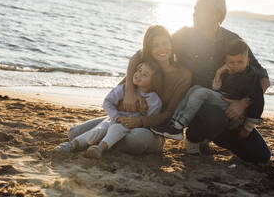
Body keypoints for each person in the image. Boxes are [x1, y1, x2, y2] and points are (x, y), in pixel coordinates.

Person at [166, 0, 271, 163]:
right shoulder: (184, 36)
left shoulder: (233, 41)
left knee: (261, 156)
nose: (194, 13)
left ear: (215, 14)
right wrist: (129, 88)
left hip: (230, 114)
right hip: (196, 109)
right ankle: (194, 138)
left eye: (199, 10)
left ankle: (209, 137)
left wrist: (243, 103)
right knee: (214, 116)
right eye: (194, 9)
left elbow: (262, 79)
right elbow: (150, 52)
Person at [64, 25, 192, 155]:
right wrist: (130, 94)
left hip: (150, 130)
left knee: (136, 140)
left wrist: (140, 121)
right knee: (74, 133)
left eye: (165, 43)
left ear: (171, 43)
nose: (162, 49)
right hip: (122, 121)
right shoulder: (144, 66)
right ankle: (105, 140)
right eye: (155, 45)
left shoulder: (183, 75)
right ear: (149, 49)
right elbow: (117, 94)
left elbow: (169, 113)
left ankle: (102, 142)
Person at [151, 39, 264, 155]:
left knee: (201, 93)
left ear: (248, 61)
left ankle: (178, 127)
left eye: (240, 62)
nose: (235, 66)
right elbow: (216, 90)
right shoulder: (226, 71)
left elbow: (259, 101)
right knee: (195, 89)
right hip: (223, 101)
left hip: (235, 114)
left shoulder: (252, 76)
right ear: (226, 61)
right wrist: (218, 74)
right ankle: (173, 124)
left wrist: (248, 128)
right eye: (232, 62)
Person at [54, 61, 163, 158]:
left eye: (145, 75)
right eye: (139, 70)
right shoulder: (124, 88)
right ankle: (72, 145)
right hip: (114, 119)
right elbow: (107, 102)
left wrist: (136, 121)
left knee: (117, 129)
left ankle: (99, 148)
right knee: (99, 129)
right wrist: (117, 116)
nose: (139, 74)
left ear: (153, 82)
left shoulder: (154, 100)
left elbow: (150, 119)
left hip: (130, 126)